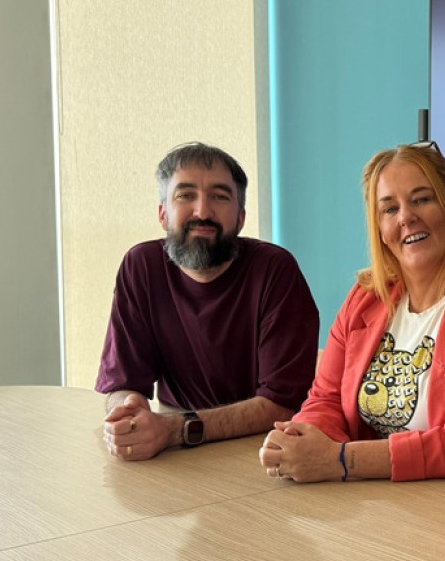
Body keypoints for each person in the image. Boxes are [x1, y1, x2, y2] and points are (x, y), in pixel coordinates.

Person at [258, 141, 445, 493]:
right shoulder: (365, 298)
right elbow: (325, 400)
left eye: (421, 199)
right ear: (379, 227)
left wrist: (341, 460)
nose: (405, 217)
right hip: (386, 501)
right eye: (389, 209)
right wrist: (300, 441)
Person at [96, 142, 320, 461]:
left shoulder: (275, 271)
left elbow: (280, 404)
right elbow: (122, 383)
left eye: (219, 196)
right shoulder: (140, 266)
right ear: (163, 213)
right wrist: (128, 415)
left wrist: (176, 429)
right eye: (186, 195)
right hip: (180, 458)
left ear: (240, 217)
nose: (202, 211)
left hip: (261, 452)